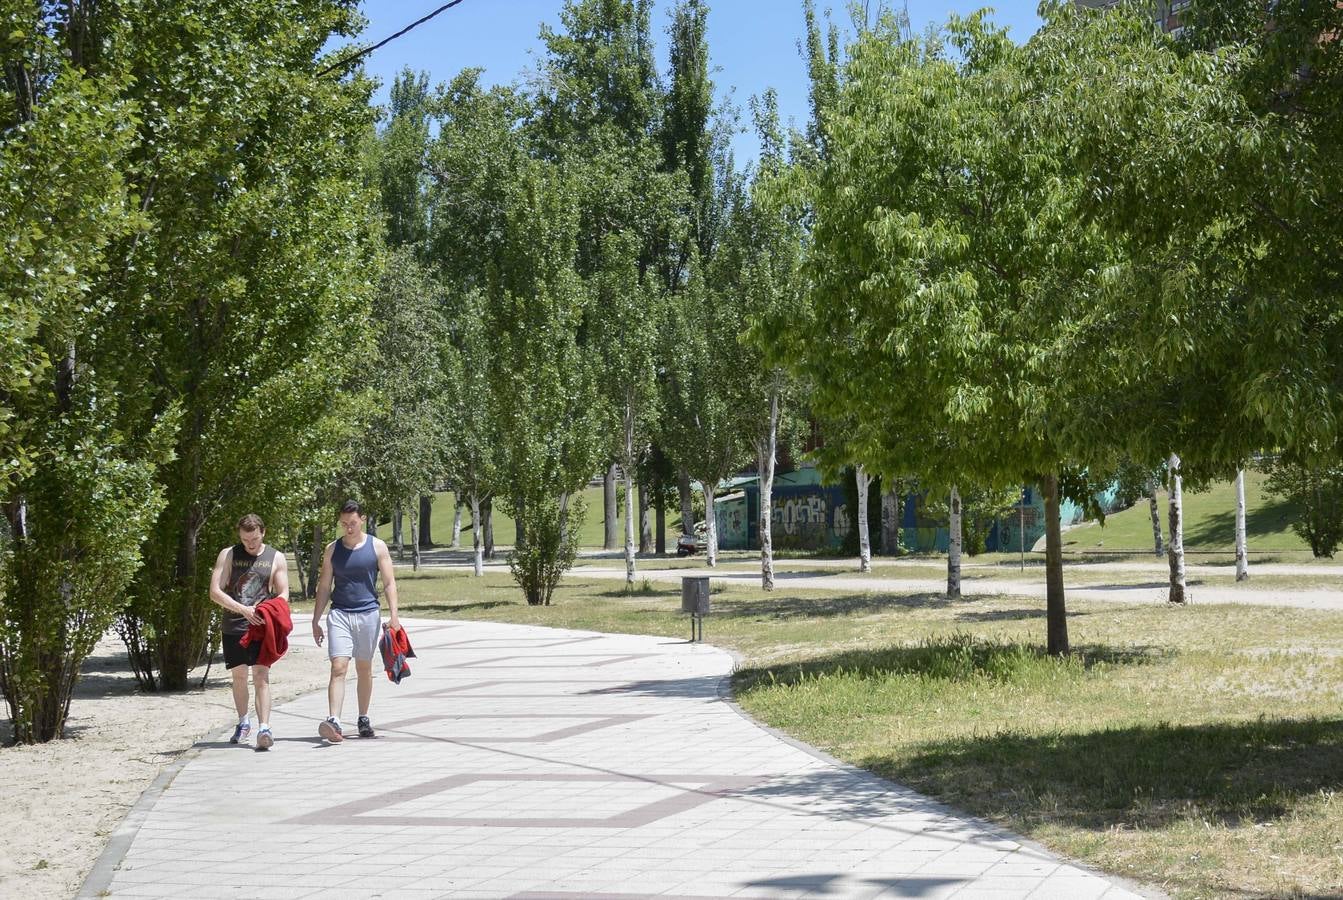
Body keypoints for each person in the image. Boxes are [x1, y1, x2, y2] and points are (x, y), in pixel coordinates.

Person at [312, 499, 401, 742]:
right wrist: (316, 619)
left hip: (368, 613)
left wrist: (394, 616)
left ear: (362, 519)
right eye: (344, 524)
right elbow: (323, 586)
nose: (348, 528)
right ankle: (334, 721)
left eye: (352, 523)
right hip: (340, 613)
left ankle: (363, 717)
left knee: (363, 667)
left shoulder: (377, 546)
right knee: (338, 666)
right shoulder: (333, 549)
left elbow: (389, 582)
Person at [208, 514, 289, 750]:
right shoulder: (229, 554)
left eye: (254, 539)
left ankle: (265, 727)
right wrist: (242, 609)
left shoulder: (276, 557)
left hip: (261, 626)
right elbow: (215, 591)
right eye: (245, 540)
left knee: (261, 676)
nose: (250, 544)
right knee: (239, 676)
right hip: (234, 625)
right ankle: (244, 721)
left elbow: (283, 593)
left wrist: (267, 610)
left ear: (263, 532)